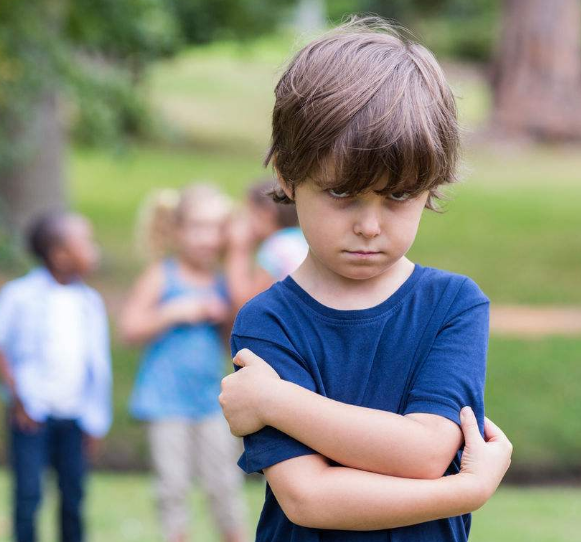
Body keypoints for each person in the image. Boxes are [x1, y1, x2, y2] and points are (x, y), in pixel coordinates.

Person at [216, 18, 513, 542]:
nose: (369, 226)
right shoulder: (268, 322)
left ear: (430, 186)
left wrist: (274, 401)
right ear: (287, 176)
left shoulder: (454, 305)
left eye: (398, 197)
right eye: (342, 194)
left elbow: (425, 452)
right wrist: (464, 490)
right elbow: (310, 499)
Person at [120, 185, 246, 542]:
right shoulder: (163, 275)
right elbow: (129, 329)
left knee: (224, 482)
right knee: (172, 486)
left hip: (211, 402)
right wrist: (173, 312)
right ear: (177, 230)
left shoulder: (223, 282)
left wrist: (224, 313)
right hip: (165, 403)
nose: (207, 237)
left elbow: (234, 341)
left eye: (215, 227)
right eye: (197, 227)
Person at [0, 210, 112, 542]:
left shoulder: (90, 301)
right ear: (60, 255)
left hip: (76, 416)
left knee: (73, 497)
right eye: (86, 242)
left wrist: (96, 419)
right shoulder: (20, 294)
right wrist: (16, 395)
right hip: (32, 414)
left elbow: (97, 365)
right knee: (28, 495)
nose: (94, 249)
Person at [226, 179, 309, 311]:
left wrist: (238, 248)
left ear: (267, 213)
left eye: (248, 212)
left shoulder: (277, 247)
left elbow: (245, 304)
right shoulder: (300, 239)